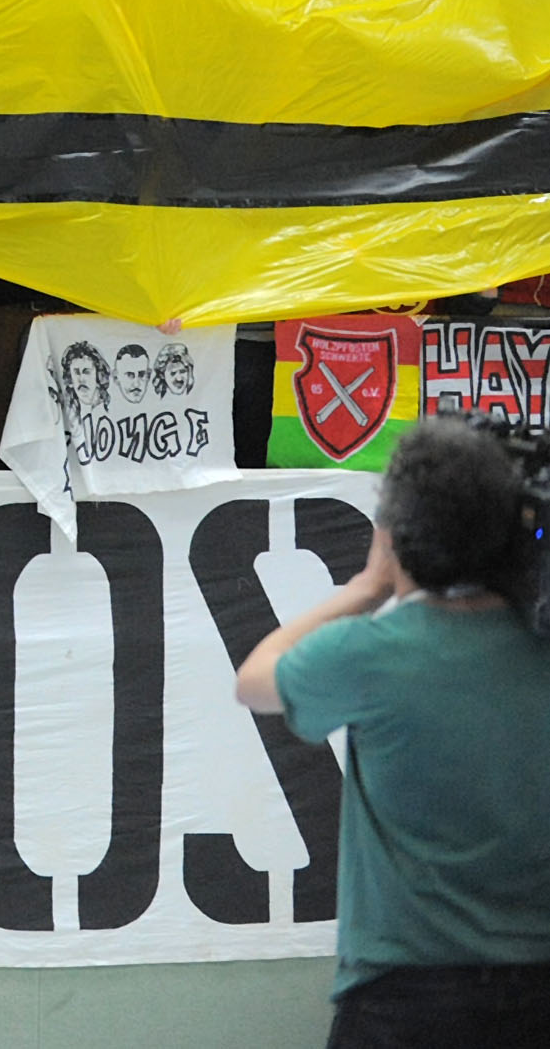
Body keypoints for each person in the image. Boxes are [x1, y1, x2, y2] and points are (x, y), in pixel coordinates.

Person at [233, 418, 550, 1047]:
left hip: (400, 998)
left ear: (397, 535)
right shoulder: (535, 649)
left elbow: (254, 680)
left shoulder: (370, 652)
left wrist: (366, 587)